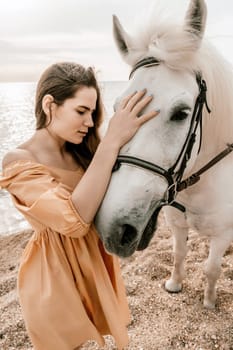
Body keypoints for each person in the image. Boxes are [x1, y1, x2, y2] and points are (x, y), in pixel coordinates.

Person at [0, 62, 159, 350]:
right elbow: (73, 221)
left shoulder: (85, 152)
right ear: (50, 105)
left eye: (93, 113)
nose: (89, 122)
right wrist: (111, 141)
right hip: (53, 276)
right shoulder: (18, 160)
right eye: (81, 111)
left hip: (93, 267)